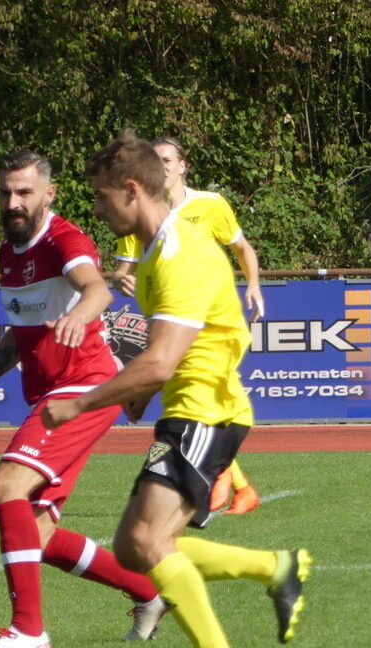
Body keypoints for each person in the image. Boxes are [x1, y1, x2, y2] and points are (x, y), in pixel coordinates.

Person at [42, 132, 311, 648]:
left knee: (145, 541)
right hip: (193, 408)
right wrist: (139, 390)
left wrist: (80, 405)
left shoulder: (179, 253)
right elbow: (164, 351)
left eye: (101, 196)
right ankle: (274, 568)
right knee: (134, 546)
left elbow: (162, 361)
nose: (97, 208)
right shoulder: (155, 248)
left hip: (206, 409)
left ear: (133, 189)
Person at [0, 149, 165, 648]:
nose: (13, 202)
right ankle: (150, 594)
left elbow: (96, 290)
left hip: (85, 387)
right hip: (54, 393)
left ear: (48, 194)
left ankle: (28, 631)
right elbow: (22, 333)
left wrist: (83, 314)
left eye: (24, 192)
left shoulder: (65, 239)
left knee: (5, 485)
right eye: (6, 192)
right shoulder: (9, 253)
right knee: (34, 532)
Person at [113, 137, 261, 515]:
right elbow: (124, 268)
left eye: (167, 159)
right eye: (155, 160)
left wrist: (254, 287)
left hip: (209, 319)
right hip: (172, 314)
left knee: (202, 399)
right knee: (199, 403)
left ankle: (226, 479)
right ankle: (233, 482)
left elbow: (242, 248)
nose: (161, 166)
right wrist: (121, 279)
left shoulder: (210, 205)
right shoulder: (141, 214)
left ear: (182, 165)